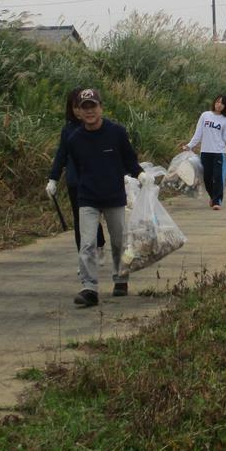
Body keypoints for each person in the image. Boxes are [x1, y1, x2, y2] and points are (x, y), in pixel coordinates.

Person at [65, 88, 146, 307]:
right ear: (79, 112)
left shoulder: (116, 132)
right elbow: (79, 168)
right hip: (88, 198)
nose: (89, 111)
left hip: (114, 196)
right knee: (88, 243)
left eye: (93, 106)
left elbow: (129, 159)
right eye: (85, 108)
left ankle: (120, 279)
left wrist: (141, 174)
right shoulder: (75, 139)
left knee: (119, 241)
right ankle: (89, 287)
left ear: (101, 107)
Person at [46, 88, 106, 255]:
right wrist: (53, 179)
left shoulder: (98, 127)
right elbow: (61, 155)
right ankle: (84, 255)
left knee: (94, 217)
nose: (79, 111)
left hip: (97, 181)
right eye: (75, 107)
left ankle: (99, 243)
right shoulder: (68, 130)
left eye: (81, 106)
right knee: (79, 219)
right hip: (76, 182)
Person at [183, 94, 226, 210]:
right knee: (207, 177)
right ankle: (213, 197)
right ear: (214, 102)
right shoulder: (205, 116)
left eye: (222, 103)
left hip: (219, 152)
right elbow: (198, 133)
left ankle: (217, 201)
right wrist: (189, 145)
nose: (219, 104)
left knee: (218, 176)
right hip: (205, 152)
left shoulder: (225, 121)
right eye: (218, 102)